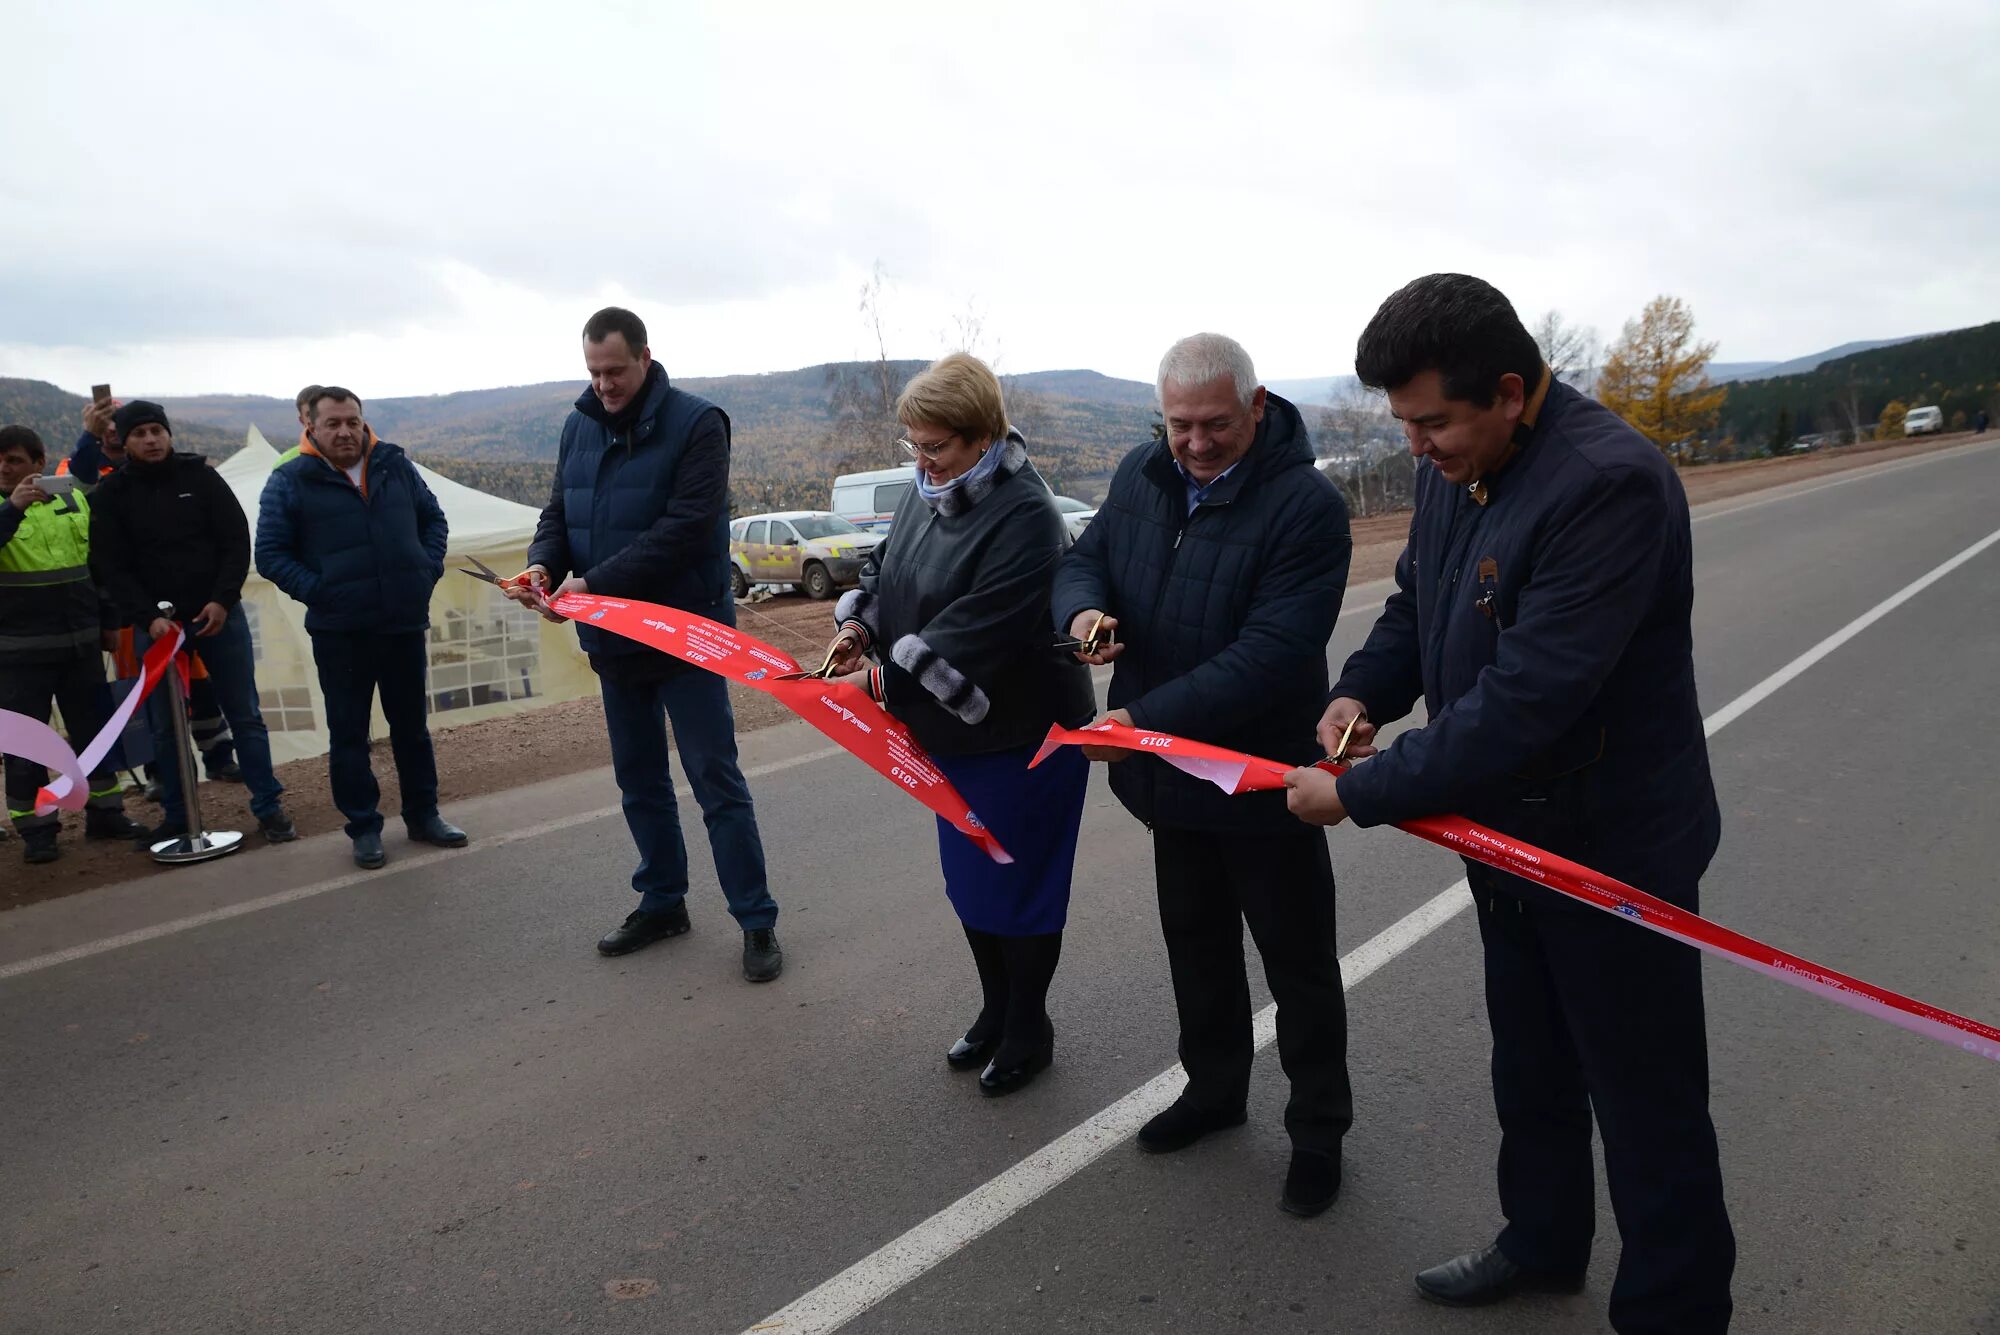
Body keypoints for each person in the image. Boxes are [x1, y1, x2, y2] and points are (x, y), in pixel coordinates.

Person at [1283, 274, 1734, 1333]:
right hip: (1507, 840)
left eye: (1430, 421)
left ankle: (1671, 1313)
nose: (1416, 447)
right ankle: (1540, 1243)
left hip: (1610, 850)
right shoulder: (1459, 468)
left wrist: (1358, 793)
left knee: (1644, 1104)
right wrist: (1359, 691)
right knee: (1528, 1066)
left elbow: (1527, 699)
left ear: (1509, 390)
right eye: (1402, 424)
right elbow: (1416, 604)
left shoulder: (1605, 485)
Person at [1050, 333, 1353, 1217]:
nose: (1194, 442)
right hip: (1170, 787)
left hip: (1264, 783)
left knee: (1297, 966)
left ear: (1257, 408)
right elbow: (1081, 560)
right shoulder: (1142, 477)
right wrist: (1085, 616)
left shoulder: (1307, 508)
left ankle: (1319, 1130)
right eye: (1178, 424)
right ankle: (1215, 1091)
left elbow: (1271, 654)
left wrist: (1140, 722)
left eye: (1214, 423)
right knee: (1198, 949)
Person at [820, 353, 1095, 1095]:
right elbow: (885, 569)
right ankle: (995, 1007)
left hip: (1022, 736)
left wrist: (874, 681)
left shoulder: (1026, 515)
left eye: (936, 446)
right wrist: (859, 631)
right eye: (914, 445)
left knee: (1019, 888)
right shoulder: (926, 489)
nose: (923, 463)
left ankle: (1029, 1025)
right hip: (950, 737)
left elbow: (978, 634)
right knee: (970, 883)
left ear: (982, 436)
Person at [510, 307, 782, 982]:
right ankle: (663, 900)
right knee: (638, 780)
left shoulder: (699, 423)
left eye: (615, 370)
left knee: (714, 778)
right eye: (593, 372)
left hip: (686, 634)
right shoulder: (578, 426)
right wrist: (543, 566)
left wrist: (592, 584)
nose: (603, 384)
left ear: (646, 357)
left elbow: (688, 528)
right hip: (613, 641)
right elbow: (558, 513)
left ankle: (756, 920)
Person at [256, 387, 466, 869]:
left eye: (352, 420)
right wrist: (323, 591)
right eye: (333, 423)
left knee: (411, 729)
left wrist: (424, 570)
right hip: (341, 631)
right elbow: (270, 554)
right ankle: (364, 828)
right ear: (310, 427)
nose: (345, 431)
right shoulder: (290, 480)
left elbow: (433, 520)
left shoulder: (394, 464)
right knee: (349, 734)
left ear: (363, 421)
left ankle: (424, 815)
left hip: (402, 622)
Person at [87, 401, 296, 845]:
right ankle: (179, 817)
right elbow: (110, 566)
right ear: (124, 441)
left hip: (219, 618)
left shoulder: (200, 477)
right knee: (166, 725)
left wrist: (222, 601)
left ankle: (269, 807)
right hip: (158, 629)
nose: (151, 439)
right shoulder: (109, 496)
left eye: (156, 431)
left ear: (168, 434)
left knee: (246, 715)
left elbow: (235, 540)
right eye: (140, 433)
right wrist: (146, 619)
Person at [0, 425, 142, 861]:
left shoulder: (71, 499)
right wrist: (12, 509)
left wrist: (108, 621)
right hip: (18, 652)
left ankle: (106, 813)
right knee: (28, 744)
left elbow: (98, 565)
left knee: (94, 735)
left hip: (80, 644)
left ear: (39, 464)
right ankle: (38, 831)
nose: (4, 468)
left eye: (15, 460)